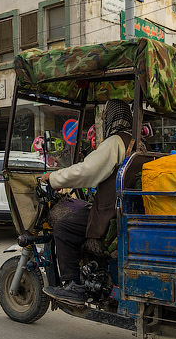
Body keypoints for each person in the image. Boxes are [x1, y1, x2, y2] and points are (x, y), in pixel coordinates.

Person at [40, 100, 134, 304]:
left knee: (64, 228)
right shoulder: (138, 143)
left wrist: (54, 178)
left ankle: (73, 286)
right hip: (127, 211)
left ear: (110, 119)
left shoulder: (116, 142)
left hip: (111, 214)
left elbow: (87, 171)